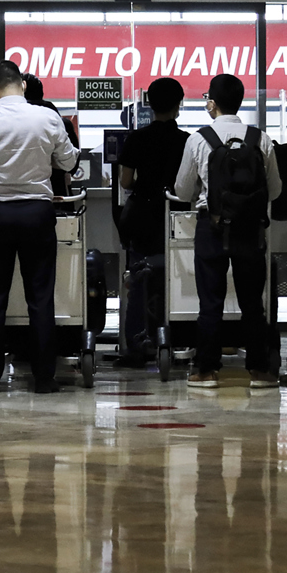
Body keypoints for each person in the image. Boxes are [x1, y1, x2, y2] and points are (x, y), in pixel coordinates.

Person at [0, 60, 78, 394]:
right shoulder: (47, 117)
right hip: (38, 212)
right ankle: (44, 377)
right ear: (23, 84)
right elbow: (69, 160)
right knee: (40, 295)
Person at [172, 73, 283, 389]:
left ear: (211, 102)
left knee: (210, 300)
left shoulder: (199, 139)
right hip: (250, 229)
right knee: (252, 301)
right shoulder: (260, 138)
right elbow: (274, 189)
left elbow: (182, 189)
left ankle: (206, 370)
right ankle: (260, 371)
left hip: (212, 225)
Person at [117, 77, 189, 364]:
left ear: (148, 103)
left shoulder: (136, 138)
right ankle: (175, 339)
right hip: (174, 216)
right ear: (179, 105)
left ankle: (136, 344)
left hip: (141, 216)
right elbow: (189, 185)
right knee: (176, 277)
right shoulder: (186, 140)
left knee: (138, 277)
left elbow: (125, 180)